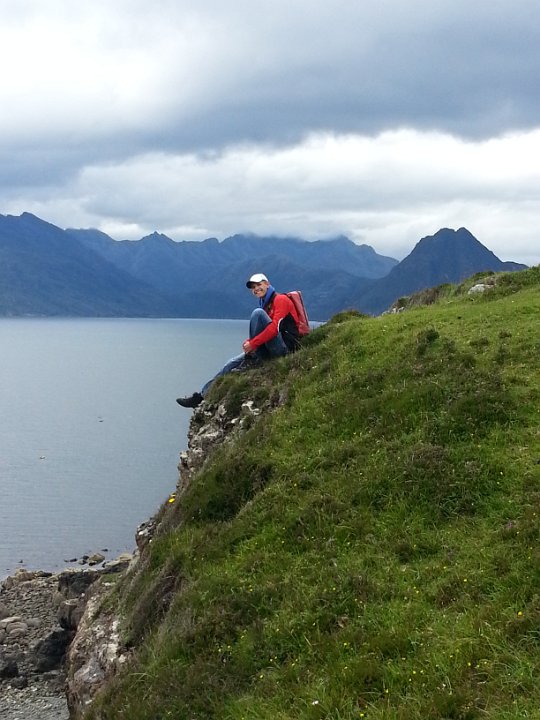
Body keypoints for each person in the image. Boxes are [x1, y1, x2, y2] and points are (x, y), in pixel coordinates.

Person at [176, 273, 301, 408]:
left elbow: (274, 329)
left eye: (259, 285)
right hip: (270, 346)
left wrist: (252, 344)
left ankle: (252, 359)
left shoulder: (280, 300)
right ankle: (201, 396)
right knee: (230, 363)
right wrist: (249, 342)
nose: (256, 289)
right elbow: (264, 331)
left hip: (285, 349)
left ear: (267, 284)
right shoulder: (266, 304)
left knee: (257, 313)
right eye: (253, 287)